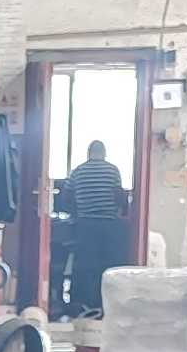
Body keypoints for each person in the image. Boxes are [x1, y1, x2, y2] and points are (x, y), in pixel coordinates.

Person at [47, 135, 130, 318]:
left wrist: (76, 212)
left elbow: (66, 197)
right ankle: (104, 303)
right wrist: (119, 212)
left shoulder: (78, 171)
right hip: (108, 225)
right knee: (106, 265)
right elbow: (119, 196)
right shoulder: (112, 170)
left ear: (89, 153)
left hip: (85, 225)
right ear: (104, 154)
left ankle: (84, 302)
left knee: (85, 265)